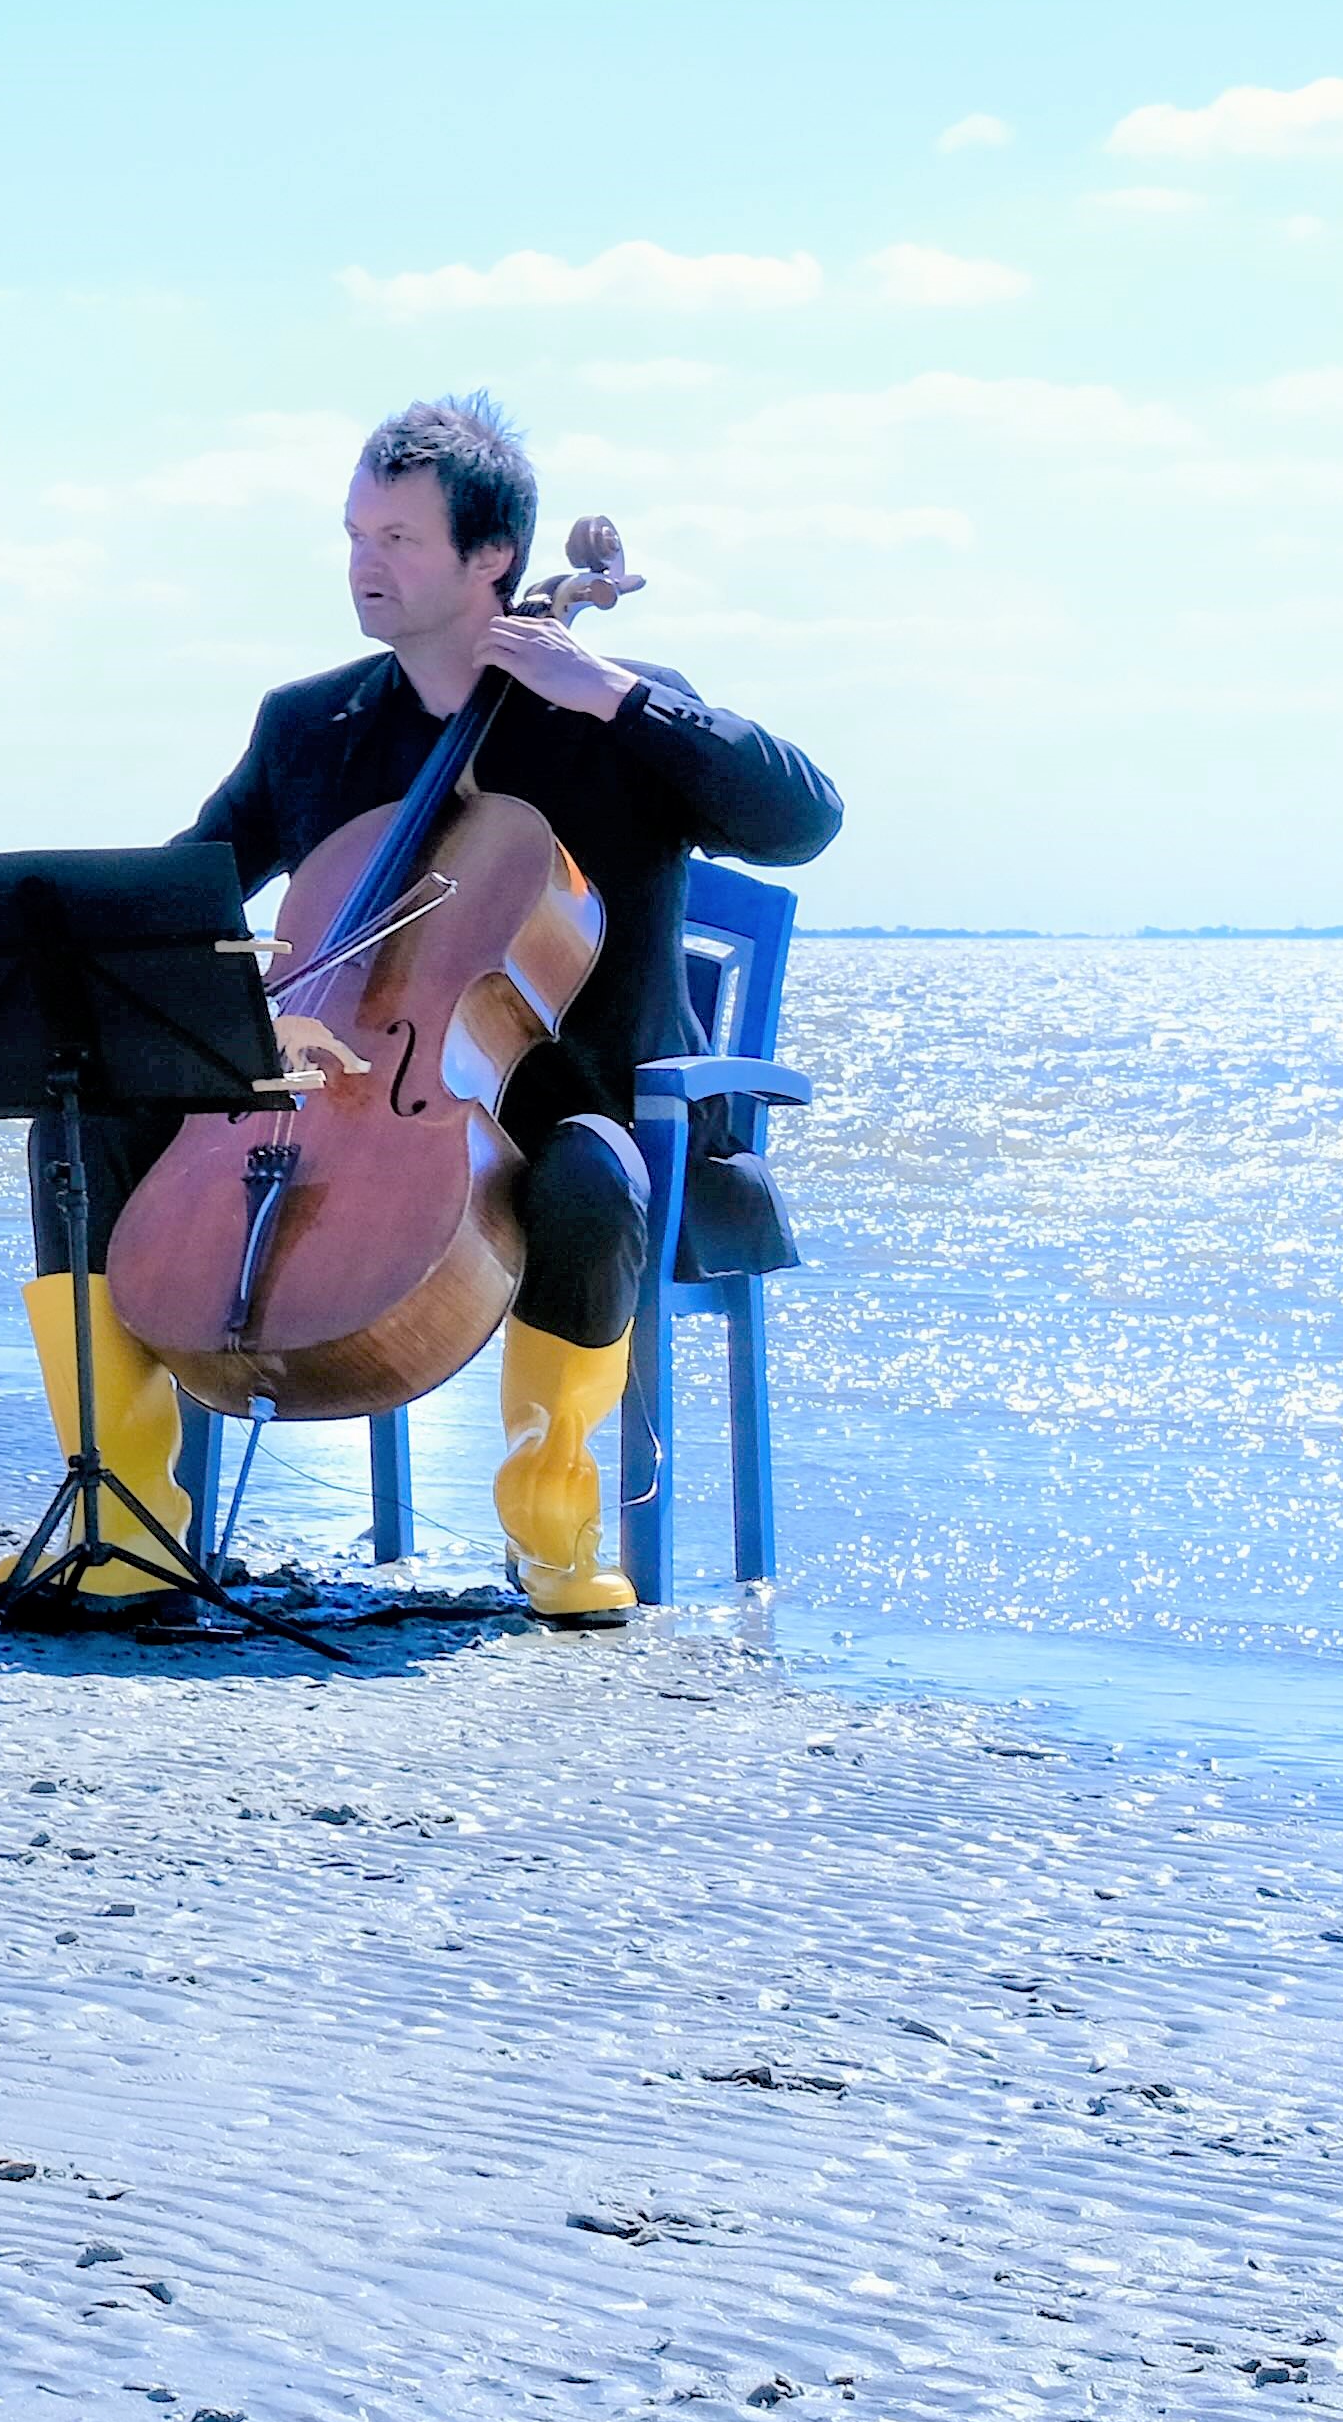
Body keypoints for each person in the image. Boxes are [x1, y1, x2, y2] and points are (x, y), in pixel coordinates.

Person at [49, 393, 841, 1625]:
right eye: (355, 533)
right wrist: (78, 955)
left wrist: (618, 694)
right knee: (79, 1123)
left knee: (591, 1175)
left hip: (579, 1121)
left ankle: (555, 1528)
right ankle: (125, 1524)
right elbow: (194, 885)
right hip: (352, 1104)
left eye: (400, 539)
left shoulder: (614, 708)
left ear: (493, 558)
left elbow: (805, 819)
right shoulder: (314, 723)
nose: (366, 564)